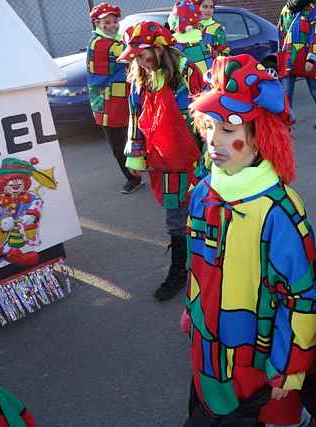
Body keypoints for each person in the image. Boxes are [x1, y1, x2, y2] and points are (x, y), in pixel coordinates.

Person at [183, 54, 316, 427]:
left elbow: (301, 298)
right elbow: (195, 264)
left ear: (260, 139)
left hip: (257, 367)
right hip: (209, 348)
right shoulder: (203, 191)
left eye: (229, 130)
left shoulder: (279, 211)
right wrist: (191, 308)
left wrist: (288, 366)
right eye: (210, 126)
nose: (214, 139)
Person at [118, 21, 205, 301]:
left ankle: (214, 266)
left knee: (206, 211)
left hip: (197, 157)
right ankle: (179, 270)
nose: (141, 62)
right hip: (164, 162)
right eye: (135, 58)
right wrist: (135, 155)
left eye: (144, 55)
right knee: (175, 218)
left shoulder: (188, 72)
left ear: (159, 49)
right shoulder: (138, 80)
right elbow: (135, 119)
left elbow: (205, 115)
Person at [86, 3, 142, 194]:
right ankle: (132, 178)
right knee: (118, 143)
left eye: (115, 21)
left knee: (137, 133)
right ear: (97, 23)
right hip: (109, 103)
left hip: (123, 98)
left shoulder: (117, 39)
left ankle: (140, 168)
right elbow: (130, 54)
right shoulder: (101, 43)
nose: (112, 25)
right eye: (106, 22)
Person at [278, 0, 316, 129]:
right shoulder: (285, 10)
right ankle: (287, 124)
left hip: (306, 56)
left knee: (314, 90)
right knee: (286, 93)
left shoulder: (313, 10)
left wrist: (311, 58)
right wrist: (280, 55)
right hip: (289, 56)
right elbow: (281, 33)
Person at [197, 0, 231, 68]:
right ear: (197, 8)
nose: (209, 10)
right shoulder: (191, 27)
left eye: (211, 7)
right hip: (194, 71)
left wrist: (212, 52)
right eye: (205, 7)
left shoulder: (217, 28)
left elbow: (224, 53)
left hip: (211, 70)